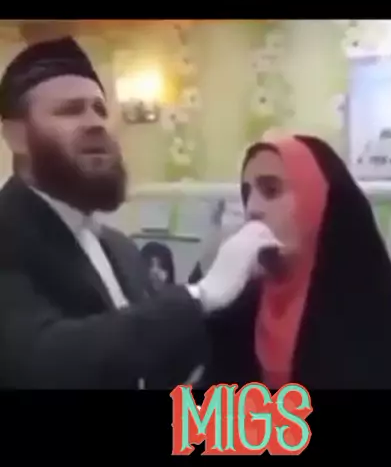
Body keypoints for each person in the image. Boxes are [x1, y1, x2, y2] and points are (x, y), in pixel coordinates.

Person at [0, 36, 281, 390]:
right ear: (17, 137)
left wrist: (237, 290)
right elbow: (42, 362)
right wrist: (201, 295)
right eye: (70, 110)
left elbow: (160, 362)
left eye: (100, 109)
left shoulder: (119, 248)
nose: (96, 123)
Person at [195, 134, 391, 390]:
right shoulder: (238, 309)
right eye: (247, 194)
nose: (252, 208)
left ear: (318, 204)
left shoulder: (371, 318)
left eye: (271, 190)